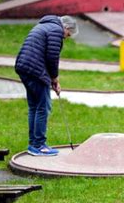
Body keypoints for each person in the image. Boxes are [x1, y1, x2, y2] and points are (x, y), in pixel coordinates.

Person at [15, 15, 78, 156]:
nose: (66, 38)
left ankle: (33, 144)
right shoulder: (56, 30)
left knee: (34, 106)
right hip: (35, 69)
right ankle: (38, 145)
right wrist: (55, 79)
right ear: (66, 27)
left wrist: (52, 80)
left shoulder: (45, 24)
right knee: (43, 107)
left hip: (23, 66)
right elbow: (52, 57)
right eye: (68, 35)